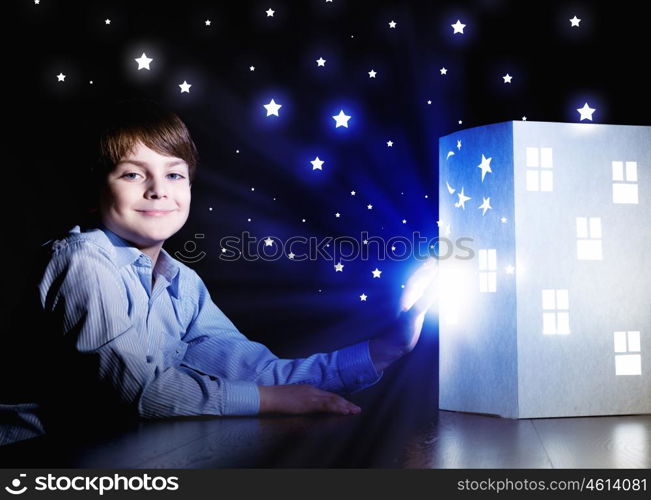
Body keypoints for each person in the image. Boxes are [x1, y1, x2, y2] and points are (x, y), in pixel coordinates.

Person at [0, 99, 436, 447]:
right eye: (133, 174)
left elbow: (255, 373)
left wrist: (384, 349)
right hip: (37, 459)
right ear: (95, 194)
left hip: (126, 454)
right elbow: (143, 395)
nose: (158, 189)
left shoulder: (183, 285)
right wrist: (271, 402)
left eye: (174, 174)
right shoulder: (83, 262)